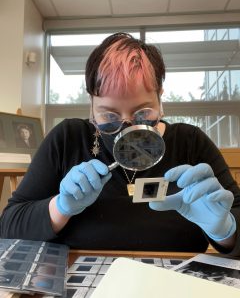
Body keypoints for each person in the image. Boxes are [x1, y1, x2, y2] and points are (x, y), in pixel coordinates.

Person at [0, 32, 240, 255]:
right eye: (108, 115)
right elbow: (9, 224)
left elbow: (234, 218)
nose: (126, 129)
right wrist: (60, 208)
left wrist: (225, 230)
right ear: (91, 105)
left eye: (143, 113)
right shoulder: (68, 139)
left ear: (160, 98)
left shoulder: (190, 143)